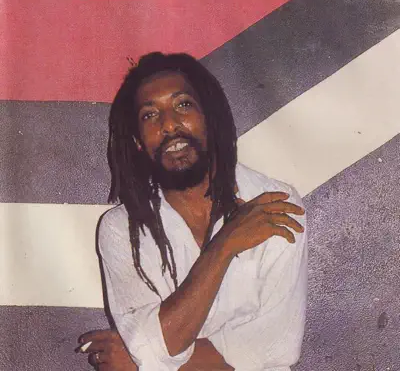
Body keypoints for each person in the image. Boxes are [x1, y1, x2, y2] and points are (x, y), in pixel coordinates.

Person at [78, 52, 308, 371]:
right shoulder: (120, 230)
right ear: (138, 142)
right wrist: (225, 245)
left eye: (183, 105)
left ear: (209, 118)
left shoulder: (273, 203)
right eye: (149, 115)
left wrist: (144, 360)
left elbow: (277, 346)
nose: (169, 124)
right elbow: (150, 345)